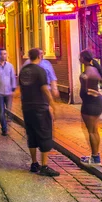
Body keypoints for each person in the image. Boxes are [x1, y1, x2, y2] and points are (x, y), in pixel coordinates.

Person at [19, 49, 59, 177]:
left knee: (31, 134)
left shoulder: (23, 71)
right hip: (40, 107)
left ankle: (34, 163)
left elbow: (21, 88)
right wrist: (52, 104)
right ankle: (44, 166)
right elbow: (44, 89)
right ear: (39, 56)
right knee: (44, 134)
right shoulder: (40, 70)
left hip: (27, 106)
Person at [79, 50, 102, 165]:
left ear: (84, 59)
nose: (79, 59)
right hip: (97, 102)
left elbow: (87, 90)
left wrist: (87, 93)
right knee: (95, 130)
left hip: (90, 103)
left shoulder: (87, 73)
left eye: (80, 57)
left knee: (91, 132)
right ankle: (95, 155)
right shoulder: (95, 69)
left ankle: (95, 158)